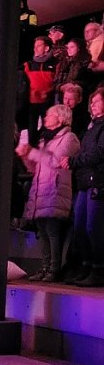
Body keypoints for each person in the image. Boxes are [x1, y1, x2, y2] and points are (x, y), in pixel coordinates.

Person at [15, 104, 80, 282]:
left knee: (52, 231)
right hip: (41, 189)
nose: (45, 118)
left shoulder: (69, 138)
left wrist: (32, 152)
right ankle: (44, 267)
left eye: (49, 115)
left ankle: (54, 268)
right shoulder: (46, 139)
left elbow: (56, 161)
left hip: (55, 189)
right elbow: (35, 167)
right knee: (42, 231)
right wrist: (25, 156)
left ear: (61, 118)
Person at [65, 89, 104, 286]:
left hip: (98, 182)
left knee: (93, 227)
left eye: (97, 101)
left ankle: (98, 269)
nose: (92, 105)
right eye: (92, 102)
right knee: (79, 227)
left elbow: (99, 153)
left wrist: (73, 161)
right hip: (84, 183)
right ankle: (86, 266)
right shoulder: (91, 129)